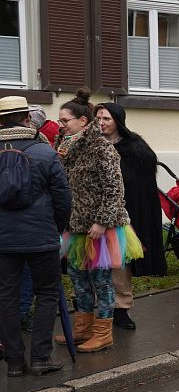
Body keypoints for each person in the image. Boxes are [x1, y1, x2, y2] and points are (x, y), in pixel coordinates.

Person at [55, 89, 143, 353]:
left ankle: (103, 332)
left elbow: (114, 188)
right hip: (75, 224)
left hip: (99, 227)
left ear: (83, 121)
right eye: (60, 121)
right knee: (78, 278)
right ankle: (82, 328)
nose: (61, 125)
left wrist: (102, 222)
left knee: (102, 281)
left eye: (65, 121)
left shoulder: (101, 148)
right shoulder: (66, 147)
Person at [0, 96, 71, 379]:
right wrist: (56, 226)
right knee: (47, 293)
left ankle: (14, 362)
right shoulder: (44, 151)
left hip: (3, 239)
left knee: (6, 296)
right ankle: (41, 358)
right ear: (27, 118)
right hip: (40, 235)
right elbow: (63, 196)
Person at [95, 103, 166, 331]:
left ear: (117, 121)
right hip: (93, 214)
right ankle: (93, 310)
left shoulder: (135, 149)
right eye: (98, 118)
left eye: (106, 119)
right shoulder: (91, 145)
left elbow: (138, 185)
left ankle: (121, 309)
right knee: (92, 262)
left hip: (122, 215)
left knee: (119, 264)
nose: (101, 123)